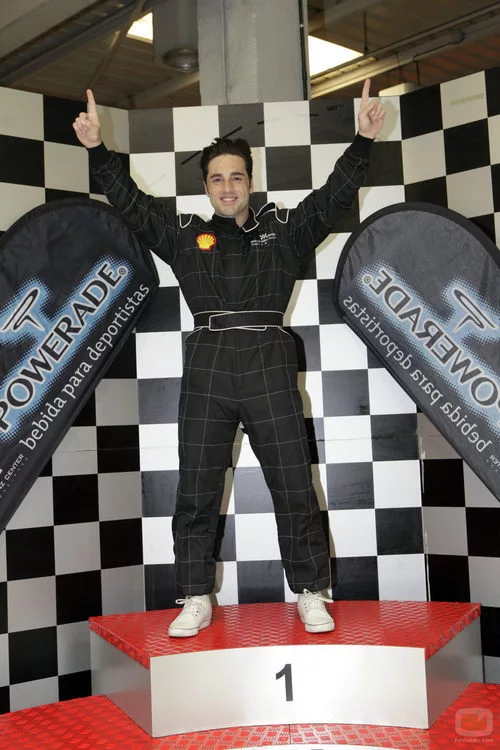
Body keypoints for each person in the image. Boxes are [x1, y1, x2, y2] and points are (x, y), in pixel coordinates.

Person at [73, 80, 385, 638]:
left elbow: (332, 199)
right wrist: (98, 150)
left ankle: (311, 591)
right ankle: (195, 596)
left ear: (250, 182)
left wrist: (362, 141)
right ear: (206, 187)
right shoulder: (186, 236)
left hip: (268, 363)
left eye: (236, 177)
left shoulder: (284, 232)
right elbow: (133, 206)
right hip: (208, 369)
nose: (227, 187)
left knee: (294, 485)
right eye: (217, 178)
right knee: (195, 491)